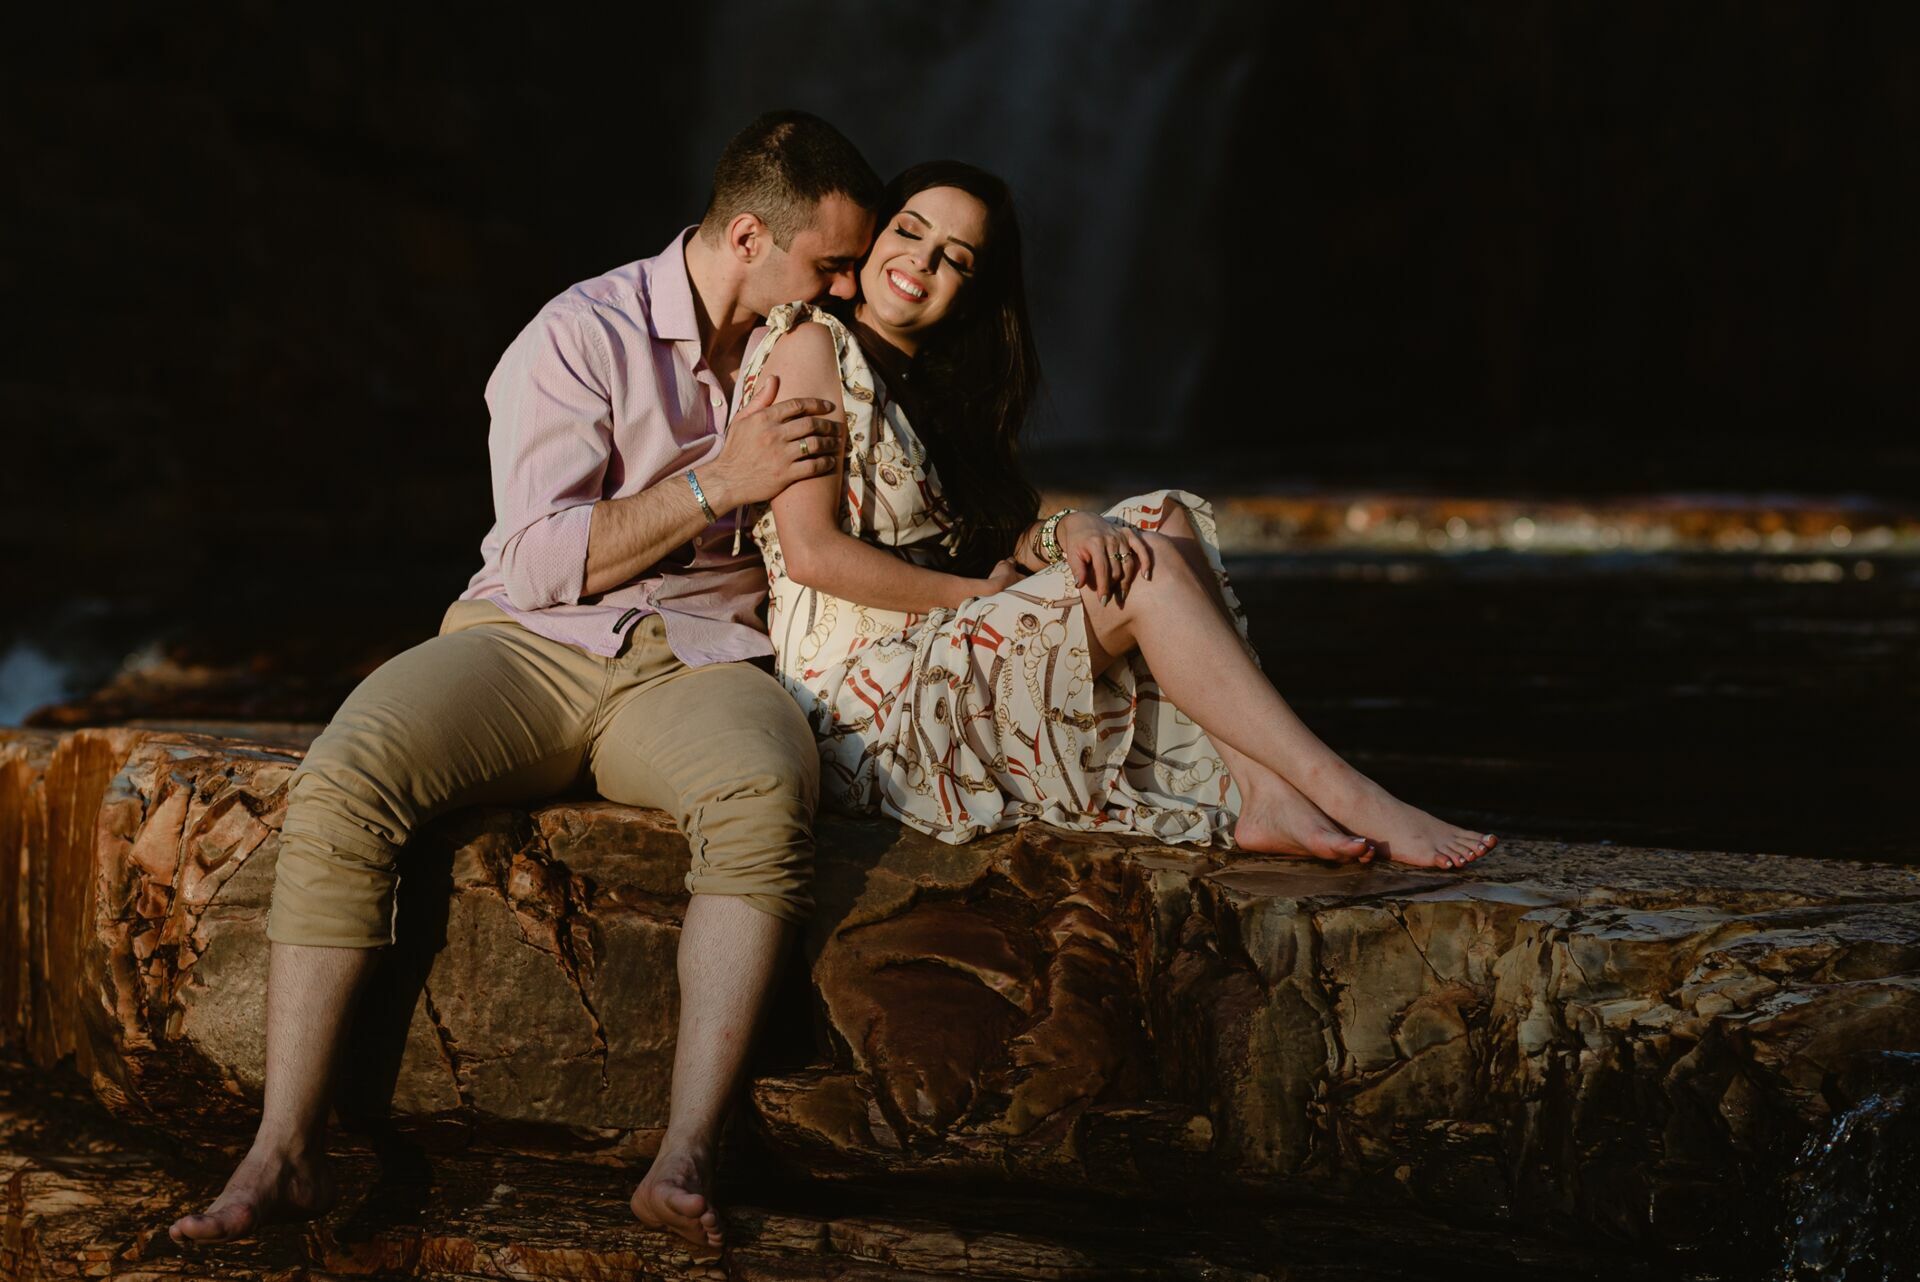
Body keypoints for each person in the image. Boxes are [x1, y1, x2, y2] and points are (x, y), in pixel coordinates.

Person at [167, 110, 881, 1257]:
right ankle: (284, 1150)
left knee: (763, 786)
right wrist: (719, 483)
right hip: (532, 640)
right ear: (749, 235)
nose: (848, 287)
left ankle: (688, 1151)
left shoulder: (821, 348)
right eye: (829, 262)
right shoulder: (578, 332)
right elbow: (538, 557)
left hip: (698, 659)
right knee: (349, 768)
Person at [741, 160, 1498, 869]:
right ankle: (1346, 791)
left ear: (973, 288)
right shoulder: (813, 346)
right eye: (911, 230)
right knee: (1145, 573)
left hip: (937, 654)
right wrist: (973, 598)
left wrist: (1065, 528)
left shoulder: (933, 387)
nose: (924, 262)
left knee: (1157, 521)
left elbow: (983, 534)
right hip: (858, 707)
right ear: (873, 237)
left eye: (958, 256)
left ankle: (1267, 795)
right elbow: (811, 554)